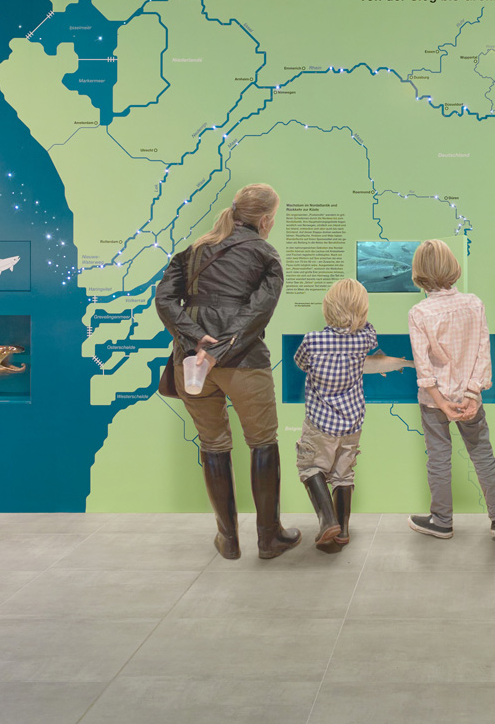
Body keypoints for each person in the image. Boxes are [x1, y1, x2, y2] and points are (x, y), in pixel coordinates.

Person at [155, 183, 298, 560]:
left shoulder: (194, 250)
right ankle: (269, 538)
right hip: (244, 364)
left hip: (192, 364)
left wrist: (197, 339)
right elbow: (258, 314)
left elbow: (164, 299)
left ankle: (228, 539)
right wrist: (224, 348)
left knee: (214, 445)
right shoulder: (266, 254)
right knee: (263, 443)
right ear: (266, 219)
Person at [405, 239, 495, 540]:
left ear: (419, 272)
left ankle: (441, 521)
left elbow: (424, 369)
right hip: (469, 399)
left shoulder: (419, 313)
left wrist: (441, 402)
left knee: (438, 458)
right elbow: (482, 353)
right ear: (453, 267)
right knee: (482, 454)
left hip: (434, 402)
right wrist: (472, 394)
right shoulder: (474, 303)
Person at [293, 279, 377, 553]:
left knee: (310, 467)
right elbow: (371, 333)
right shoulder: (364, 339)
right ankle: (342, 531)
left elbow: (300, 363)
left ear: (327, 308)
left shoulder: (313, 340)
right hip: (352, 422)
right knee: (343, 474)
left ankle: (327, 520)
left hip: (320, 424)